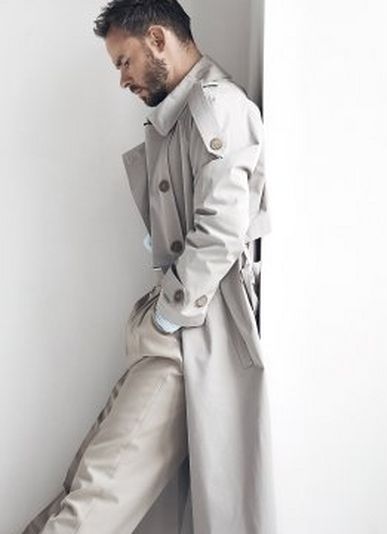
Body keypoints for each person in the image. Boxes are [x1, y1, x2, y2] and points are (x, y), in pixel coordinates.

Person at [21, 1, 271, 532]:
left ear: (157, 38)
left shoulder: (216, 107)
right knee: (86, 482)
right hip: (173, 334)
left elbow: (222, 229)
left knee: (96, 498)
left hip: (189, 340)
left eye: (123, 61)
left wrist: (167, 318)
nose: (122, 79)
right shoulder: (181, 114)